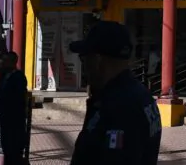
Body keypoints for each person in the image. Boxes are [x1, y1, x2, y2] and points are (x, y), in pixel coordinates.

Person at [69, 20, 161, 165]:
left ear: (97, 60)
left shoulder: (120, 105)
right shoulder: (141, 95)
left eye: (84, 59)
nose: (84, 67)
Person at [0, 51, 28, 165]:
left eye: (5, 61)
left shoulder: (18, 77)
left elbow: (19, 98)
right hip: (5, 119)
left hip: (15, 121)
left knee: (14, 151)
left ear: (12, 62)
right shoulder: (4, 76)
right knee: (6, 149)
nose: (3, 63)